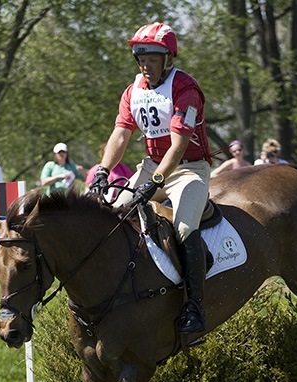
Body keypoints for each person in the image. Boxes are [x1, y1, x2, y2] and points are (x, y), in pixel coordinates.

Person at [89, 22, 212, 336]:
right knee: (115, 214)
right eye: (141, 59)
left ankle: (195, 307)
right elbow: (121, 134)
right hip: (151, 166)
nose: (146, 65)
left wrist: (155, 181)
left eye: (153, 59)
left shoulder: (185, 89)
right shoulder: (133, 91)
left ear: (168, 59)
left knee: (184, 228)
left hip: (188, 170)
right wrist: (102, 170)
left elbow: (179, 146)